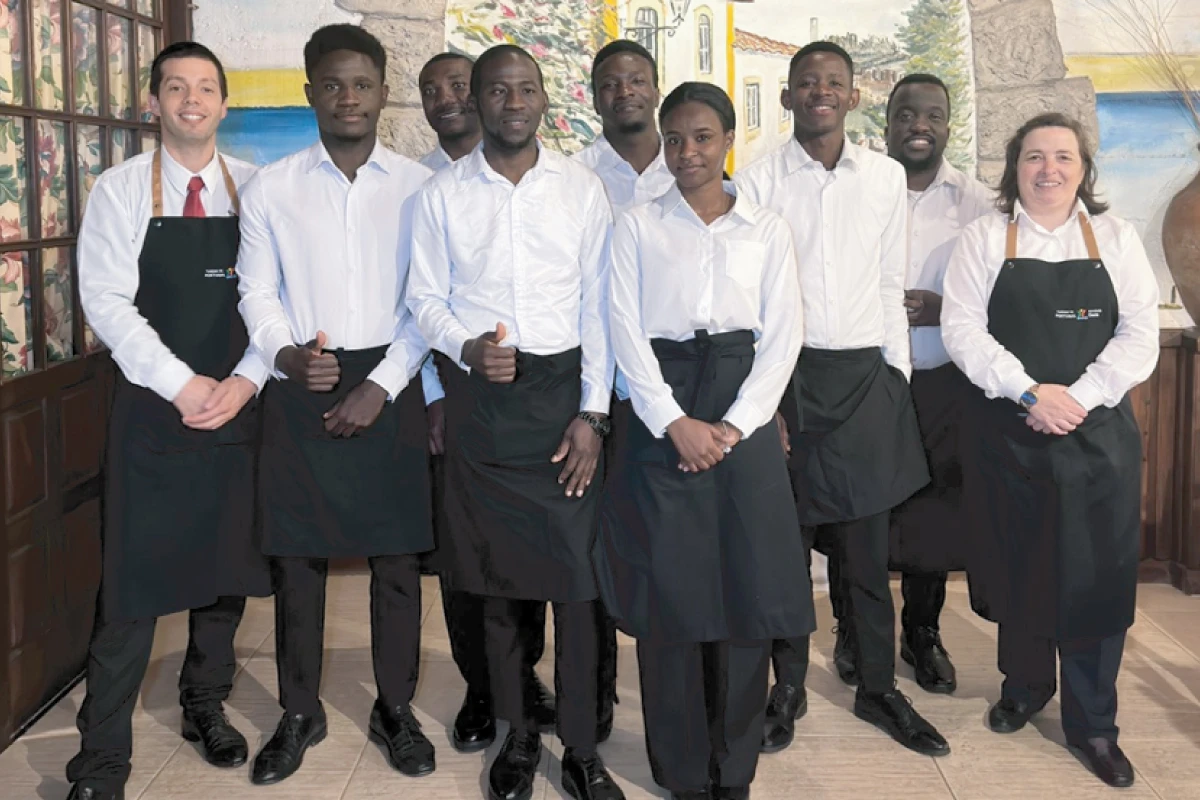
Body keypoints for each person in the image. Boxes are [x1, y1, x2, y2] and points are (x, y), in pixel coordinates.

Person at [408, 44, 623, 800]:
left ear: (542, 98)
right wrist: (463, 345)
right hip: (485, 405)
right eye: (496, 90)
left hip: (564, 398)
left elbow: (604, 308)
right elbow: (423, 297)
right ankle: (518, 735)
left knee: (578, 584)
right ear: (478, 98)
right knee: (496, 585)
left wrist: (594, 413)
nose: (512, 102)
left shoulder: (581, 188)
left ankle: (585, 748)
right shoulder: (442, 196)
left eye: (525, 89)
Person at [595, 81, 813, 800]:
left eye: (703, 138)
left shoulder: (766, 228)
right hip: (664, 418)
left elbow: (784, 337)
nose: (689, 152)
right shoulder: (635, 225)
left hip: (742, 414)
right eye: (677, 138)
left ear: (727, 143)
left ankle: (735, 767)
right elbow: (623, 330)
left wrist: (738, 425)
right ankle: (683, 771)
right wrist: (674, 423)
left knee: (746, 598)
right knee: (671, 598)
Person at [235, 24, 436, 786]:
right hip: (303, 379)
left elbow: (430, 300)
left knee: (395, 559)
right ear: (309, 90)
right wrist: (287, 354)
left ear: (384, 93)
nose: (346, 96)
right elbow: (256, 289)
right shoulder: (272, 186)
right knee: (298, 559)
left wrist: (381, 384)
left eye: (361, 83)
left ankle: (395, 708)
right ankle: (298, 712)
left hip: (391, 379)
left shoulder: (420, 187)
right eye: (331, 83)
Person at [734, 41, 948, 757]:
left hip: (867, 381)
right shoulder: (759, 181)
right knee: (784, 551)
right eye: (806, 83)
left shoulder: (883, 178)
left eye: (834, 82)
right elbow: (755, 301)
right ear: (789, 97)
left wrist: (897, 383)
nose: (820, 91)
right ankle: (786, 686)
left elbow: (890, 284)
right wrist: (766, 407)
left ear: (853, 97)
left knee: (865, 553)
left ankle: (879, 688)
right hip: (788, 381)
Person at [69, 42, 270, 800]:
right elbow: (108, 303)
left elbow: (274, 301)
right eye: (176, 88)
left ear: (224, 104)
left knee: (224, 575)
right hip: (154, 415)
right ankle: (100, 762)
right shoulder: (119, 192)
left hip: (237, 412)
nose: (192, 99)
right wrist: (183, 384)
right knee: (129, 587)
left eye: (207, 88)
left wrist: (247, 382)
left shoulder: (256, 191)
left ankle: (203, 706)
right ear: (153, 103)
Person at [942, 112, 1159, 788]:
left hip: (1097, 442)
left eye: (1062, 156)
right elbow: (961, 329)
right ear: (1015, 168)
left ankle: (1094, 724)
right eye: (1034, 156)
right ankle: (1026, 685)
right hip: (1011, 433)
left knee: (1096, 582)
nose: (1049, 169)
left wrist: (1079, 397)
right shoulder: (982, 238)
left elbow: (1141, 333)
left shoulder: (1116, 239)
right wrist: (1030, 392)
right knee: (1020, 565)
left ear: (1083, 168)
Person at [415, 50, 556, 754]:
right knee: (468, 556)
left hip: (537, 396)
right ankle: (480, 686)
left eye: (456, 86)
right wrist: (436, 393)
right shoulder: (426, 189)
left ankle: (523, 678)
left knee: (528, 548)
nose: (447, 99)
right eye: (431, 90)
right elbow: (418, 304)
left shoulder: (554, 185)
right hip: (458, 395)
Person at [875, 73, 994, 694]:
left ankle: (921, 632)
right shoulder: (864, 189)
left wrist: (948, 308)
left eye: (933, 115)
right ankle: (854, 632)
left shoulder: (979, 203)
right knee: (863, 514)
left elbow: (1003, 296)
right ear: (886, 121)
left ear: (950, 124)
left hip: (945, 381)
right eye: (906, 113)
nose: (919, 125)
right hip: (871, 381)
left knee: (933, 517)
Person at [574, 37, 675, 742]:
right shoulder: (574, 178)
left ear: (655, 86)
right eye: (610, 84)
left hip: (675, 395)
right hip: (596, 393)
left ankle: (672, 688)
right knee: (596, 548)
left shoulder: (695, 167)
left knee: (668, 547)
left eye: (636, 79)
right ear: (594, 96)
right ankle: (597, 689)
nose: (624, 92)